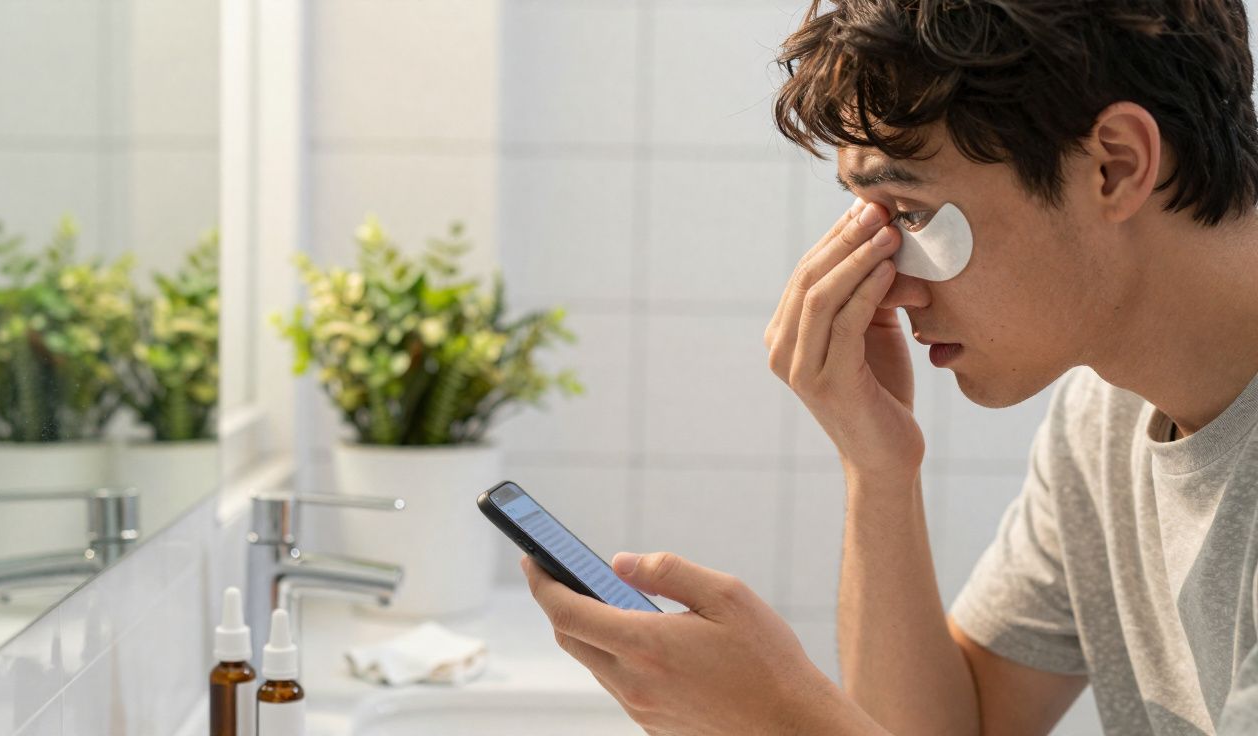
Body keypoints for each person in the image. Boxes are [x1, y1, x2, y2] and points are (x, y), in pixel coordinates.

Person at [517, 1, 1258, 733]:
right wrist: (877, 466)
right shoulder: (1107, 416)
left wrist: (779, 718)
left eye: (910, 215)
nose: (891, 286)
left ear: (1114, 165)